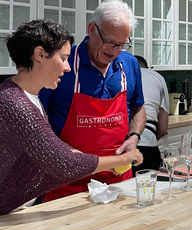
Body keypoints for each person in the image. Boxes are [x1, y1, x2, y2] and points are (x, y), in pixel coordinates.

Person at [0, 19, 142, 215]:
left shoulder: (26, 97)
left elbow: (49, 150)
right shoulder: (17, 104)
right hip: (10, 212)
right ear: (40, 54)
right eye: (63, 58)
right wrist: (123, 159)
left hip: (20, 205)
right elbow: (62, 164)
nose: (67, 68)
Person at [39, 0, 146, 201]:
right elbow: (38, 120)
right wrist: (65, 152)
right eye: (110, 42)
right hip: (68, 183)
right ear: (91, 29)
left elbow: (138, 108)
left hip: (119, 182)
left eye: (122, 44)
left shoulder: (129, 64)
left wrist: (134, 136)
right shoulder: (63, 64)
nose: (114, 51)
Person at [133, 55, 169, 174]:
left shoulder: (119, 75)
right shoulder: (158, 77)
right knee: (149, 187)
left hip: (122, 146)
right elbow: (163, 129)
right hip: (149, 144)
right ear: (147, 67)